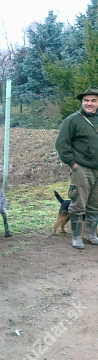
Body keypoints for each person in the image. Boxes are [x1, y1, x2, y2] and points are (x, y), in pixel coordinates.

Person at [55, 85, 98, 249]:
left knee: (95, 205)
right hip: (81, 169)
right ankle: (76, 238)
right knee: (78, 204)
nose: (89, 103)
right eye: (86, 100)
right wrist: (73, 165)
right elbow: (61, 144)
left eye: (93, 100)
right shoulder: (72, 120)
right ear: (82, 102)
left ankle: (92, 235)